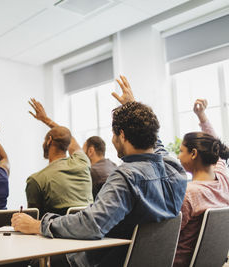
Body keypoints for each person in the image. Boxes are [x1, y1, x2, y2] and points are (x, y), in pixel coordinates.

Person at [12, 76, 188, 267]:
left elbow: (91, 225)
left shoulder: (125, 177)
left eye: (113, 134)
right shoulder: (174, 168)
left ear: (122, 134)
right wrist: (133, 106)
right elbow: (156, 143)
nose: (112, 140)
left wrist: (38, 225)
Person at [173, 99, 229, 267]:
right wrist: (202, 116)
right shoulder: (223, 179)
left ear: (194, 153)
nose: (177, 156)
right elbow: (215, 145)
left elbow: (167, 236)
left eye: (181, 151)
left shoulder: (188, 194)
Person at [26, 98, 93, 218]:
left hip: (58, 235)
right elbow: (70, 139)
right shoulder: (82, 162)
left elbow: (33, 221)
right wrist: (46, 120)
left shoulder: (36, 180)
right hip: (91, 230)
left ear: (49, 141)